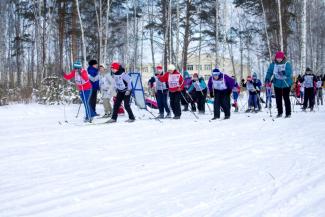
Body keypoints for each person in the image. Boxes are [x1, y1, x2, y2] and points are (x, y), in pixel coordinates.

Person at [265, 51, 293, 118]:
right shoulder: (273, 64)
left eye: (280, 58)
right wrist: (267, 79)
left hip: (286, 84)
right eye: (277, 58)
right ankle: (279, 112)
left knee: (286, 98)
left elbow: (289, 72)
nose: (279, 59)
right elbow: (269, 72)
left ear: (283, 57)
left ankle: (288, 113)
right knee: (278, 99)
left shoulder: (287, 64)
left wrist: (284, 72)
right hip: (277, 84)